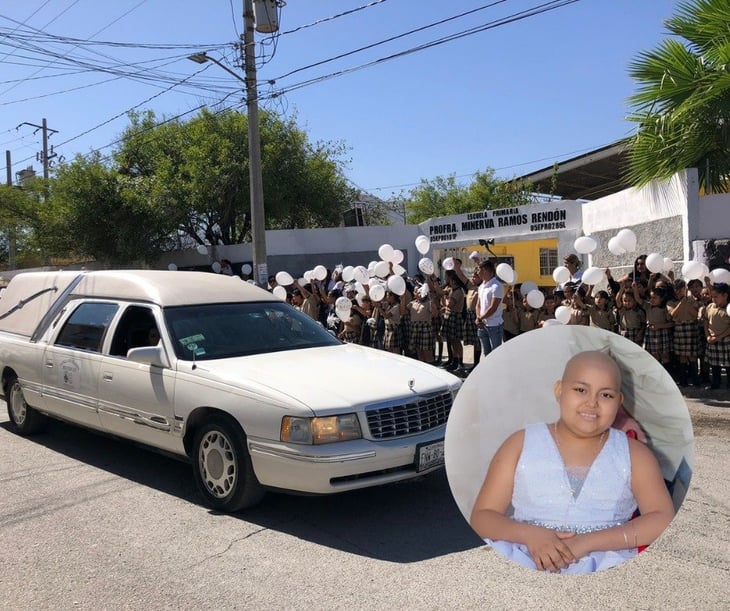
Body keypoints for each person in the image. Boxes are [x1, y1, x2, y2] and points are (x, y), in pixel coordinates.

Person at [470, 351, 674, 574]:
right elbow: (483, 516)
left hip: (606, 561)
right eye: (580, 390)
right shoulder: (520, 443)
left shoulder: (635, 454)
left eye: (606, 395)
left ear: (619, 401)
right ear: (559, 390)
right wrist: (529, 534)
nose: (592, 403)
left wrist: (586, 542)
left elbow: (662, 518)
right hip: (523, 555)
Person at [702, 283, 730, 390]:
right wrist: (707, 336)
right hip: (712, 340)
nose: (713, 299)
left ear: (725, 295)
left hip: (725, 340)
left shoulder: (728, 309)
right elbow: (706, 321)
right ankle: (715, 384)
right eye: (712, 296)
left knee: (728, 365)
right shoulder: (710, 307)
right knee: (714, 365)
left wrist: (718, 337)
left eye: (716, 297)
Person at [475, 260, 503, 356]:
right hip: (482, 325)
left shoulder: (497, 286)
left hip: (494, 325)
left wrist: (480, 318)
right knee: (486, 353)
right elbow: (478, 305)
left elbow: (493, 307)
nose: (477, 272)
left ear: (485, 270)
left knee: (496, 354)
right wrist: (478, 318)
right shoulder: (481, 286)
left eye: (478, 269)